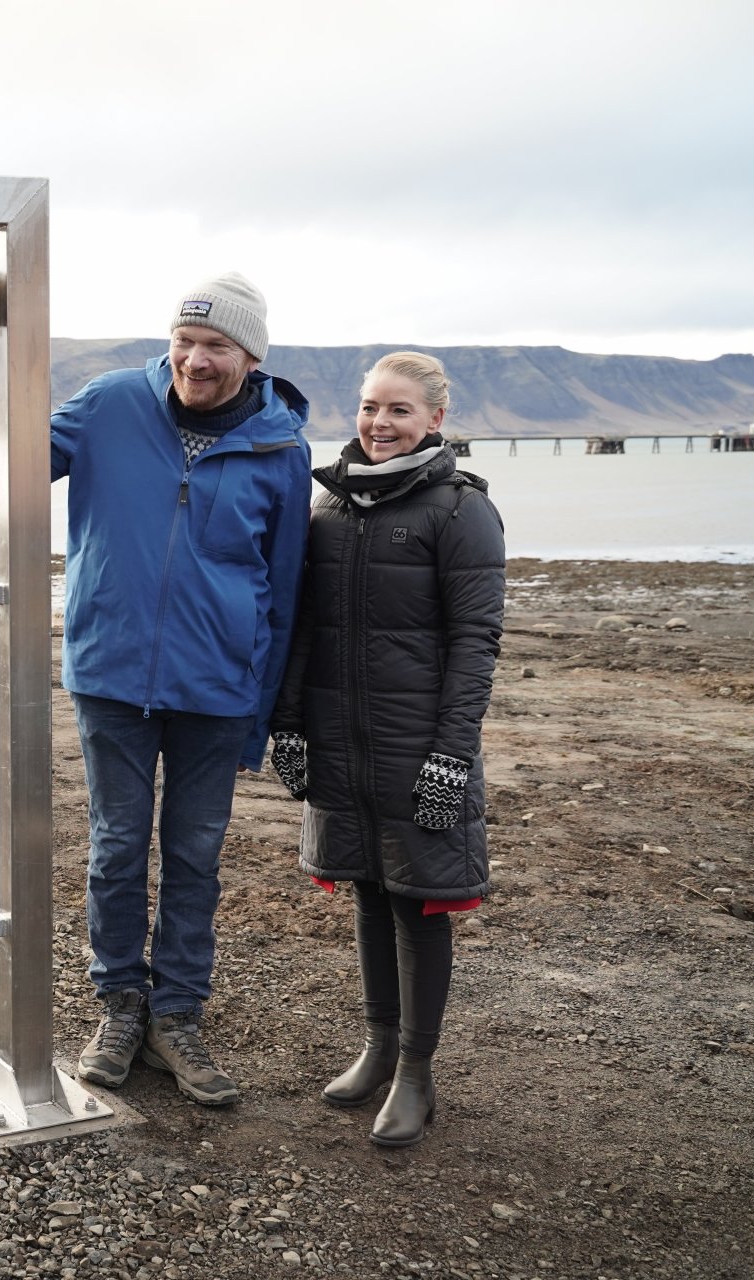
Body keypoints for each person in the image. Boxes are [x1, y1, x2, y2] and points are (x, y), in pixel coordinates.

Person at [52, 273, 312, 1104]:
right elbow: (12, 466)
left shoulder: (281, 447)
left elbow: (283, 591)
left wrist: (261, 719)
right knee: (117, 846)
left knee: (195, 857)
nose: (195, 361)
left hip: (218, 688)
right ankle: (120, 1005)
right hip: (111, 673)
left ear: (251, 357)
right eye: (185, 341)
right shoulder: (109, 403)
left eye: (216, 347)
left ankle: (177, 1015)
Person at [269, 351, 505, 1147]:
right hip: (340, 739)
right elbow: (304, 627)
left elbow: (476, 642)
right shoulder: (330, 508)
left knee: (418, 902)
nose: (380, 423)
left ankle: (415, 1073)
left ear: (435, 419)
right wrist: (290, 723)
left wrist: (451, 754)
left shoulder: (461, 510)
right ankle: (376, 1047)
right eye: (371, 407)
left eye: (399, 410)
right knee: (368, 892)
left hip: (418, 746)